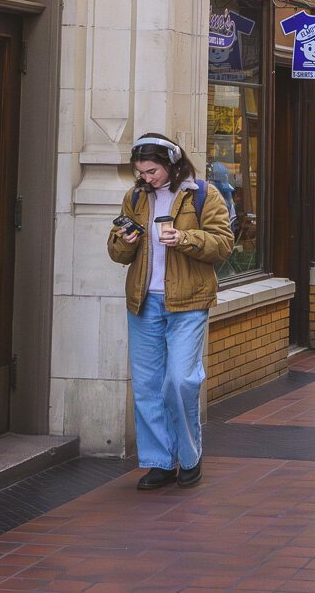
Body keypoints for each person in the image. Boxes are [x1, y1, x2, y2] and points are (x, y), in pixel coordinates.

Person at [107, 133, 234, 490]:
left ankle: (189, 457)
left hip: (188, 301)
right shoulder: (135, 197)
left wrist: (185, 239)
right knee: (147, 386)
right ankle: (160, 462)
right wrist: (124, 241)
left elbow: (224, 244)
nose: (147, 178)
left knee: (179, 380)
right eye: (141, 172)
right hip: (144, 302)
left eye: (152, 171)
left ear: (171, 163)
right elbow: (116, 251)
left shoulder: (202, 194)